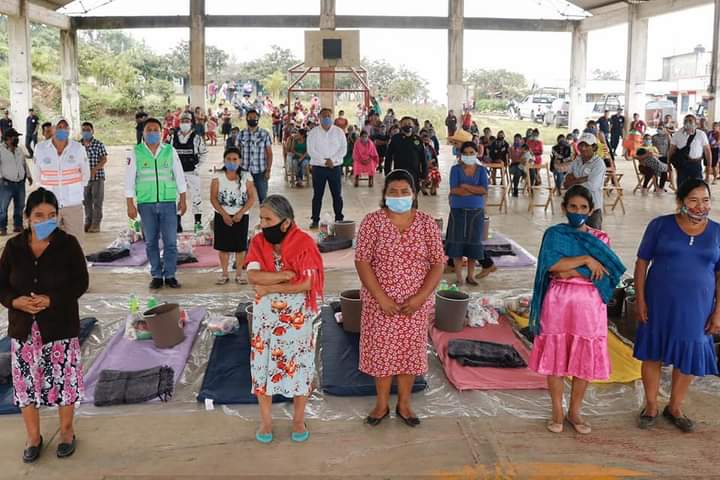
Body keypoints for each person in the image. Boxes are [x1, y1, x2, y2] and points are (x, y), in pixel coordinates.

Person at [0, 187, 89, 462]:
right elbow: (1, 286)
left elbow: (80, 283)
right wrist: (16, 302)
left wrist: (52, 299)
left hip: (59, 328)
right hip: (24, 330)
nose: (45, 220)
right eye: (38, 215)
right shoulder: (13, 248)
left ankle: (66, 432)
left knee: (64, 382)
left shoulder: (68, 244)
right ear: (26, 217)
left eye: (51, 215)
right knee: (26, 386)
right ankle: (33, 437)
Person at [528, 185, 625, 434]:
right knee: (555, 359)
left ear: (591, 210)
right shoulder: (554, 234)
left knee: (584, 359)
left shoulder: (600, 239)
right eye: (573, 207)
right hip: (557, 304)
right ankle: (557, 411)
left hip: (590, 307)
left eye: (583, 207)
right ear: (564, 208)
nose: (578, 211)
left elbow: (606, 274)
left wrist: (568, 269)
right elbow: (551, 267)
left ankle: (575, 411)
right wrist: (585, 261)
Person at [354, 169, 445, 428]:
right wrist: (381, 298)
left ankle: (404, 404)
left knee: (408, 354)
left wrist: (420, 298)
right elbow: (362, 261)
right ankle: (381, 404)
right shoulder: (372, 222)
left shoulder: (427, 223)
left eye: (404, 191)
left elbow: (438, 264)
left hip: (414, 306)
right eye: (392, 192)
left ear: (414, 194)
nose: (399, 196)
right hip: (380, 304)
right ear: (384, 195)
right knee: (382, 355)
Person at [633, 179, 720, 432]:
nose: (700, 206)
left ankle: (675, 407)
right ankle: (650, 405)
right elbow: (641, 263)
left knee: (689, 352)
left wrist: (718, 311)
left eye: (705, 200)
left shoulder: (717, 232)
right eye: (693, 200)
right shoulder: (660, 226)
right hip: (659, 301)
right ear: (680, 201)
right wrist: (640, 300)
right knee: (653, 352)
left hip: (698, 305)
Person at [245, 195, 324, 444]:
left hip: (297, 320)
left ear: (286, 222)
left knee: (299, 367)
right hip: (266, 321)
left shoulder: (304, 244)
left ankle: (298, 419)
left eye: (268, 219)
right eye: (261, 218)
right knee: (263, 366)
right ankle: (266, 420)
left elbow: (309, 282)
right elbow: (253, 277)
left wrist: (270, 288)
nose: (262, 224)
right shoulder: (258, 242)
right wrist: (286, 275)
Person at [126, 117, 188, 290]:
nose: (152, 133)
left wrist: (183, 198)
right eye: (149, 130)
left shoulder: (169, 150)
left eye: (155, 130)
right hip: (146, 203)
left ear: (161, 133)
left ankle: (170, 275)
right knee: (151, 241)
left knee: (170, 242)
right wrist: (129, 203)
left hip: (168, 202)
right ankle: (156, 275)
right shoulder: (136, 152)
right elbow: (129, 179)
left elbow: (179, 176)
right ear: (143, 133)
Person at [34, 118, 90, 245]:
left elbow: (85, 174)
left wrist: (76, 191)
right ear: (52, 129)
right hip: (48, 205)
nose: (62, 130)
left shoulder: (77, 148)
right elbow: (37, 176)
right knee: (45, 243)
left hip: (73, 204)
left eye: (65, 127)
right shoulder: (41, 148)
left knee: (76, 243)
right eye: (59, 126)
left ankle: (75, 265)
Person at [446, 142, 495, 285]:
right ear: (461, 155)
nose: (468, 155)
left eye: (471, 152)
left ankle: (470, 275)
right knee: (457, 243)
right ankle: (459, 276)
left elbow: (484, 190)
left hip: (476, 212)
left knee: (473, 243)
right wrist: (474, 190)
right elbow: (454, 190)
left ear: (476, 153)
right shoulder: (455, 169)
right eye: (465, 153)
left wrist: (466, 186)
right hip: (457, 211)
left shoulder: (481, 170)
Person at [210, 147, 256, 285]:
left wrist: (240, 213)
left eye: (235, 159)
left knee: (240, 247)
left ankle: (239, 274)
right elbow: (213, 198)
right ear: (224, 160)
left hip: (241, 217)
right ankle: (224, 274)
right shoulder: (217, 176)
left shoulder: (246, 176)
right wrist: (224, 214)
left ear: (240, 161)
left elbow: (251, 197)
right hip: (222, 216)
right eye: (228, 159)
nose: (231, 162)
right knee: (223, 247)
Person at [307, 108, 347, 229]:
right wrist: (324, 162)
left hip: (334, 168)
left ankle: (339, 218)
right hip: (319, 168)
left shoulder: (339, 132)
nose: (326, 118)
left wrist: (332, 161)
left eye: (329, 116)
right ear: (319, 117)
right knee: (317, 195)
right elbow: (311, 151)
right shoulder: (313, 133)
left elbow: (343, 149)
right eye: (324, 116)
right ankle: (315, 219)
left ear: (332, 117)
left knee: (337, 195)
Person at [172, 112, 208, 232]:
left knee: (196, 197)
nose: (184, 123)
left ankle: (197, 223)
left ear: (191, 123)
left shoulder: (197, 138)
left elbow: (204, 153)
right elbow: (167, 153)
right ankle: (177, 223)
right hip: (177, 174)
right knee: (176, 197)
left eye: (187, 121)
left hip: (192, 172)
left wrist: (197, 166)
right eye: (182, 121)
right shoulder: (173, 137)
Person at [564, 133, 606, 230]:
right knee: (575, 237)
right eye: (581, 145)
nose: (583, 148)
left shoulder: (598, 164)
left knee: (592, 239)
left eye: (586, 145)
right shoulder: (576, 161)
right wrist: (583, 179)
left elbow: (593, 186)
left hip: (593, 209)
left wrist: (574, 181)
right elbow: (566, 183)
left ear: (594, 147)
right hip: (575, 208)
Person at [0, 128, 32, 236]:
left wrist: (28, 176)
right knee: (3, 207)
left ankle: (18, 226)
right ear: (8, 139)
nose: (17, 139)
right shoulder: (1, 150)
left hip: (20, 183)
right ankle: (2, 228)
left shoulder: (19, 150)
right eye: (15, 137)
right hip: (6, 184)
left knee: (20, 206)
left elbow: (24, 163)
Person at [668, 114, 712, 189]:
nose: (688, 123)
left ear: (695, 123)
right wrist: (668, 163)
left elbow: (707, 151)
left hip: (696, 165)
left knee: (697, 188)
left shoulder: (701, 134)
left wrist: (708, 168)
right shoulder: (678, 134)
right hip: (682, 165)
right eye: (686, 121)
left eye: (690, 121)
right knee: (682, 189)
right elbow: (671, 150)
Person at [239, 110, 273, 204]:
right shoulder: (241, 134)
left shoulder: (265, 134)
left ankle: (263, 217)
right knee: (243, 199)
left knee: (263, 199)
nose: (252, 120)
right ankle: (243, 218)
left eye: (255, 118)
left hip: (260, 172)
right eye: (250, 118)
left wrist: (268, 170)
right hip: (244, 172)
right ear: (246, 119)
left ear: (258, 119)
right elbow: (236, 152)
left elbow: (269, 154)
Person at [79, 122, 108, 233]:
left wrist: (94, 170)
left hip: (97, 178)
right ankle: (88, 222)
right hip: (83, 179)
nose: (86, 132)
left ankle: (96, 225)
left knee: (97, 201)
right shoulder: (78, 145)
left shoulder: (98, 144)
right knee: (86, 201)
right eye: (84, 130)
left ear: (92, 131)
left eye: (88, 130)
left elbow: (104, 159)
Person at [385, 116, 426, 190]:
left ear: (413, 125)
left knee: (414, 196)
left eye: (409, 123)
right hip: (399, 173)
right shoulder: (395, 139)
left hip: (415, 174)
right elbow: (388, 157)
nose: (407, 125)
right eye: (405, 123)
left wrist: (424, 174)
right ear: (401, 126)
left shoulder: (418, 139)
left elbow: (423, 159)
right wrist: (388, 173)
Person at [652, 125, 672, 190]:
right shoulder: (654, 137)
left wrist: (669, 156)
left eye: (661, 128)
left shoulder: (667, 136)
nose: (659, 130)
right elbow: (652, 146)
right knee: (655, 172)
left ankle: (661, 187)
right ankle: (656, 186)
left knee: (664, 172)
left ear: (664, 129)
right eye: (658, 128)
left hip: (665, 156)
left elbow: (670, 146)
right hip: (656, 157)